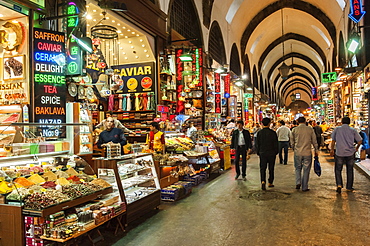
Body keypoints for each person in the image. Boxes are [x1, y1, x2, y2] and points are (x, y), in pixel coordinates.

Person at [330, 117, 362, 193]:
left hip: (339, 152)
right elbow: (360, 141)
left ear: (341, 122)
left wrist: (332, 149)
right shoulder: (353, 130)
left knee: (338, 169)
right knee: (350, 170)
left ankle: (339, 184)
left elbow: (333, 140)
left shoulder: (337, 129)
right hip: (350, 152)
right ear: (349, 122)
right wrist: (356, 148)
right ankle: (349, 187)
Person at [290, 117, 319, 192]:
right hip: (307, 152)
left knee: (297, 168)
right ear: (305, 121)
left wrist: (294, 148)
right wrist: (316, 150)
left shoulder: (294, 130)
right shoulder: (310, 129)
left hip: (298, 152)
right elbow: (314, 140)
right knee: (306, 169)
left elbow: (292, 141)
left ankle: (298, 182)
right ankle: (304, 187)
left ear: (297, 122)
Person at [255, 118, 279, 190]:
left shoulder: (259, 133)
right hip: (271, 153)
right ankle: (270, 182)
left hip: (262, 153)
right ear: (269, 124)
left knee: (263, 168)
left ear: (262, 123)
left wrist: (258, 152)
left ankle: (263, 181)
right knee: (271, 168)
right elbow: (275, 143)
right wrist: (276, 151)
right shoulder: (273, 133)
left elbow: (257, 144)